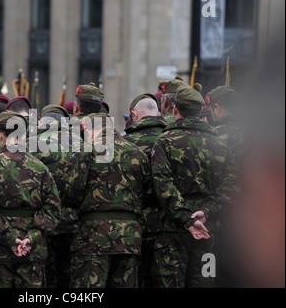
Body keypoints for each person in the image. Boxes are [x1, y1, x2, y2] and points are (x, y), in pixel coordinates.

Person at [150, 84, 239, 288]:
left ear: (174, 109)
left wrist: (186, 219)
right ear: (201, 111)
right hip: (209, 229)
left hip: (173, 230)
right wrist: (207, 213)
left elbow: (163, 184)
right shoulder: (220, 144)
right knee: (205, 283)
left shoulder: (164, 142)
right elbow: (232, 186)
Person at [59, 113, 151, 288]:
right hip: (129, 236)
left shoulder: (86, 151)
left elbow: (70, 192)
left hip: (94, 235)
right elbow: (147, 192)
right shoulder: (137, 153)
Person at [0, 112, 61, 288]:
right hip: (32, 250)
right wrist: (31, 237)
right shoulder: (40, 167)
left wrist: (9, 237)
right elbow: (52, 207)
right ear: (23, 136)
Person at [30, 104, 81, 288]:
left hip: (43, 224)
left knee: (45, 278)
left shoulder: (31, 144)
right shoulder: (81, 144)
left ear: (42, 121)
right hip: (74, 223)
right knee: (71, 278)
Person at [123, 93, 167, 288]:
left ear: (134, 115)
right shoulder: (170, 139)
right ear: (158, 113)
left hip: (135, 226)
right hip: (168, 223)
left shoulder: (125, 144)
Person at [205, 86, 245, 165]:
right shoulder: (258, 126)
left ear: (217, 108)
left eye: (210, 112)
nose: (211, 117)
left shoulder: (216, 135)